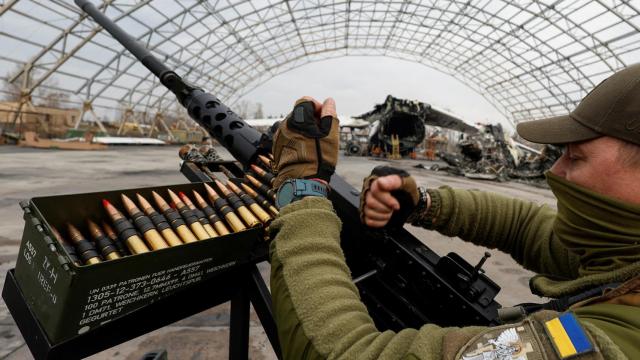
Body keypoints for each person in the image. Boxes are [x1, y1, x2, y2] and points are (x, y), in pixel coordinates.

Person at [268, 65, 640, 360]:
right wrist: (424, 204)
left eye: (575, 157)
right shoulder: (625, 262)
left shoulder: (598, 347)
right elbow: (529, 227)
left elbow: (342, 353)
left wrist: (303, 194)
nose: (554, 173)